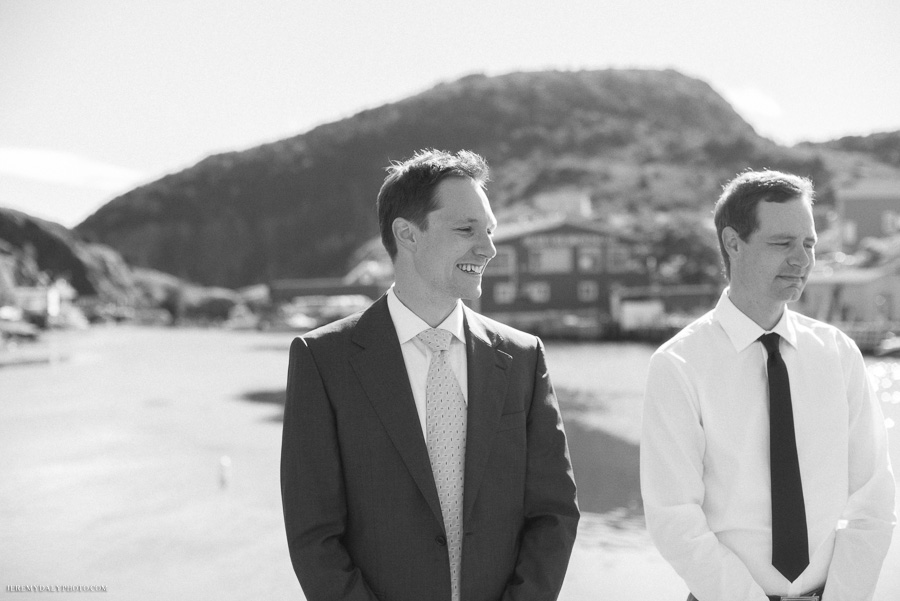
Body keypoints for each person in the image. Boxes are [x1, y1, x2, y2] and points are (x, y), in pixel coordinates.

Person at [281, 148, 579, 601]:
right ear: (408, 234)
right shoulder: (322, 361)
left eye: (490, 231)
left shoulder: (523, 358)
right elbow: (314, 533)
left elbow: (554, 513)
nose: (489, 248)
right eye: (466, 229)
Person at [640, 170, 895, 601]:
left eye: (809, 243)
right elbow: (674, 517)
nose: (802, 260)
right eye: (783, 243)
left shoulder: (839, 354)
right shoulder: (678, 365)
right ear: (733, 243)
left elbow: (872, 499)